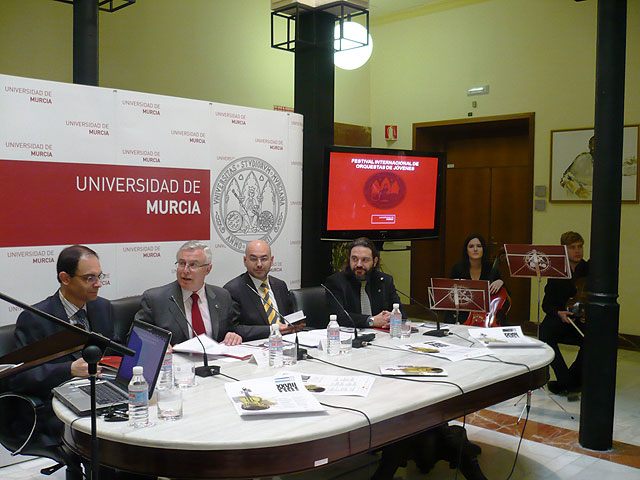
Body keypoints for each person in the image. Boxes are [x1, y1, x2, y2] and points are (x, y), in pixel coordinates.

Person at [9, 245, 115, 479]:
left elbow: (111, 351)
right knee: (108, 447)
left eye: (100, 276)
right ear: (65, 278)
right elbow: (20, 377)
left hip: (100, 394)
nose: (98, 284)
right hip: (55, 406)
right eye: (90, 278)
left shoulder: (102, 307)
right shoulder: (35, 318)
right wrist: (68, 369)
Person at [136, 240, 242, 346]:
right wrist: (158, 344)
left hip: (215, 361)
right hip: (175, 361)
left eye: (193, 265)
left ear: (208, 269)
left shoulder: (222, 296)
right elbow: (136, 338)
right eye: (182, 263)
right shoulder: (155, 299)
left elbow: (231, 331)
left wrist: (233, 336)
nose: (185, 270)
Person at [540, 231, 589, 395]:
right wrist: (559, 312)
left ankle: (571, 381)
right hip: (561, 317)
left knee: (592, 340)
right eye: (573, 247)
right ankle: (565, 379)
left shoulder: (588, 269)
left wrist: (587, 312)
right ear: (564, 250)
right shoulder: (557, 270)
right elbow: (547, 304)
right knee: (545, 333)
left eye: (580, 247)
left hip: (580, 318)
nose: (578, 251)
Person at [223, 240, 298, 341]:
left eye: (264, 259)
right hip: (256, 346)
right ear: (245, 261)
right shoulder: (233, 289)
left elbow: (288, 317)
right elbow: (234, 329)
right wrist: (272, 330)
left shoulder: (280, 285)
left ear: (271, 261)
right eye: (254, 259)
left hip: (286, 343)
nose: (259, 264)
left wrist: (296, 324)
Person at [324, 237, 399, 328]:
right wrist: (371, 321)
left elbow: (399, 312)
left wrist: (390, 318)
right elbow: (338, 317)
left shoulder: (384, 281)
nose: (359, 264)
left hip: (382, 335)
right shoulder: (336, 282)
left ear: (374, 262)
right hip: (351, 336)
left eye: (364, 260)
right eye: (354, 259)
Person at [447, 234, 504, 324]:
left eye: (479, 246)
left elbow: (503, 295)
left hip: (486, 318)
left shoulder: (491, 268)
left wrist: (500, 281)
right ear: (466, 250)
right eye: (471, 246)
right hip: (463, 315)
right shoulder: (457, 269)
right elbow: (450, 297)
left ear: (483, 249)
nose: (475, 249)